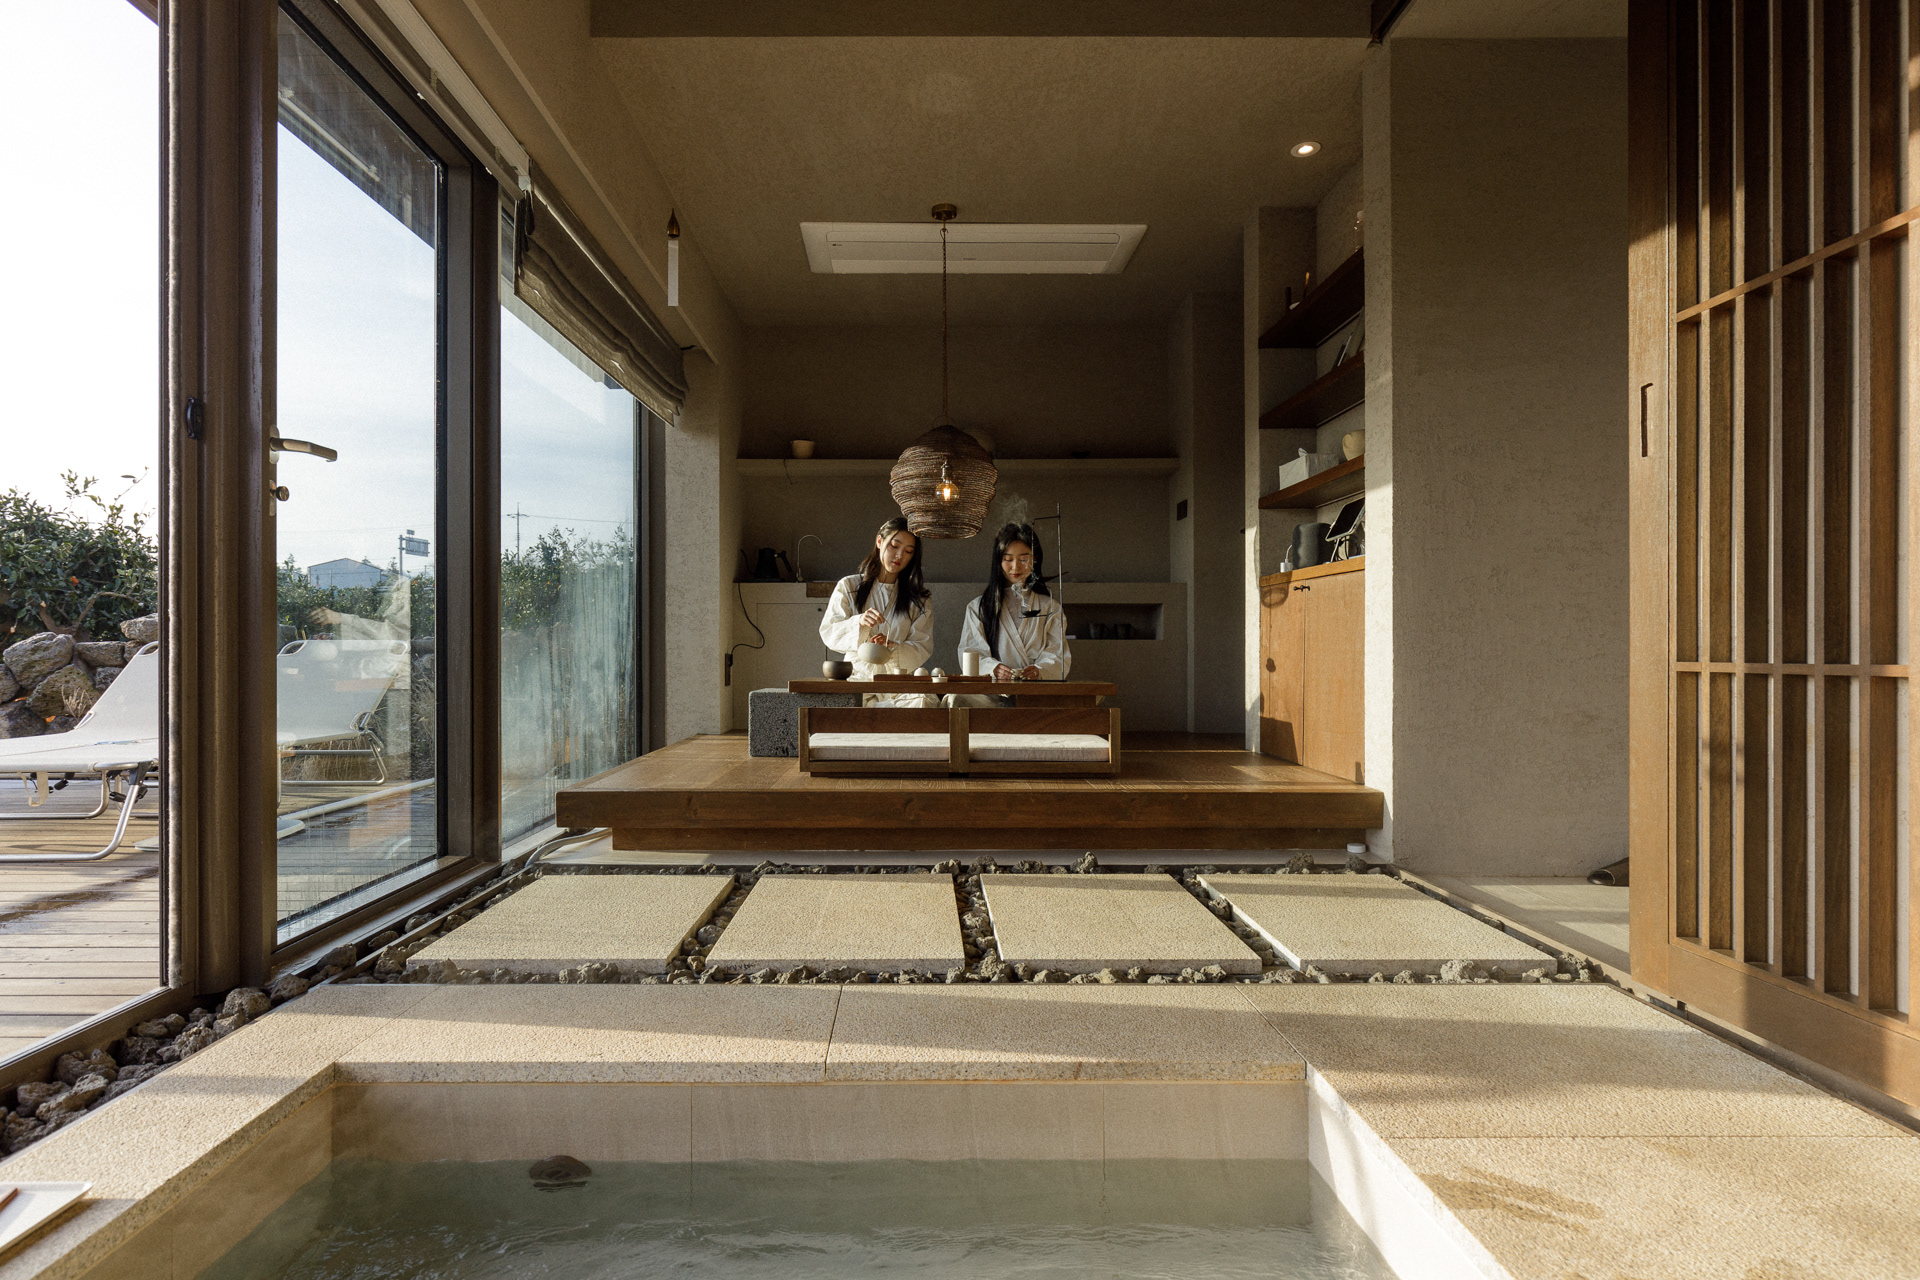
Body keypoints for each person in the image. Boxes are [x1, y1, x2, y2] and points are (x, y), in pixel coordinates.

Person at [819, 517, 933, 704]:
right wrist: (859, 623)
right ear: (879, 541)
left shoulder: (918, 599)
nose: (899, 555)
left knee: (924, 702)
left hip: (898, 684)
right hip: (858, 679)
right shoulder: (849, 586)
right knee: (842, 705)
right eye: (894, 546)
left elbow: (923, 645)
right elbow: (829, 631)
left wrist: (893, 648)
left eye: (908, 551)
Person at [952, 523, 1069, 706]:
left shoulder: (1050, 607)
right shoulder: (979, 607)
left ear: (1035, 559)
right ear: (998, 561)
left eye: (1024, 559)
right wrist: (994, 669)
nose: (1016, 567)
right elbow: (971, 653)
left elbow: (1058, 655)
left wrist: (1039, 670)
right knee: (956, 700)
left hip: (1036, 694)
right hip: (991, 695)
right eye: (1008, 559)